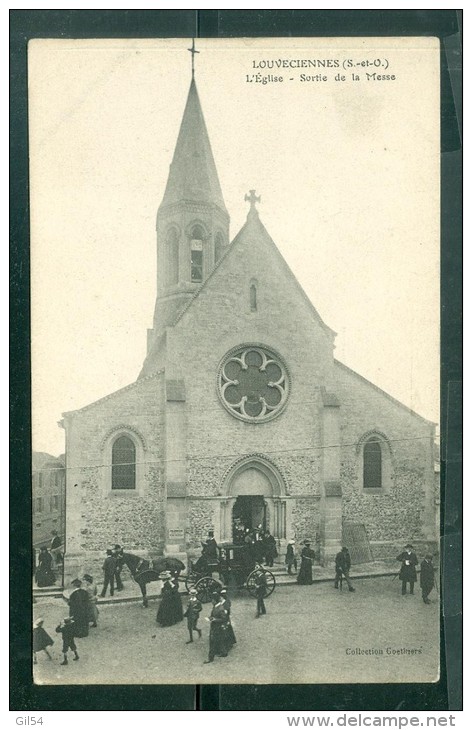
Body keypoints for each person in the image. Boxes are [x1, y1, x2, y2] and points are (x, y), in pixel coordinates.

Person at [204, 592, 229, 664]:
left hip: (216, 628)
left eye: (212, 600)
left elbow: (224, 619)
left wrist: (214, 619)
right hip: (216, 627)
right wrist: (211, 618)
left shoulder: (220, 608)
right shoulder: (216, 607)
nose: (211, 601)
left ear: (215, 600)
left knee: (212, 642)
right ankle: (224, 652)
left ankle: (210, 658)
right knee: (220, 640)